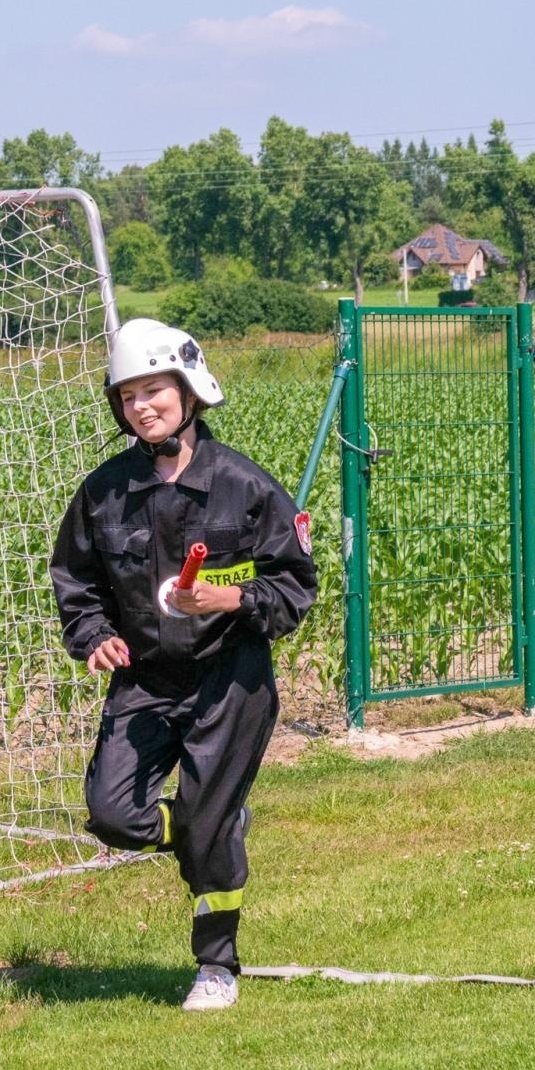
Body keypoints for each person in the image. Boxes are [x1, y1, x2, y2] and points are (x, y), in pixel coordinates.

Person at [50, 319, 317, 1011]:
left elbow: (294, 587)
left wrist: (225, 597)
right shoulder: (102, 492)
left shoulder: (245, 488)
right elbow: (75, 582)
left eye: (154, 390)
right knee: (111, 814)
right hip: (144, 681)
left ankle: (216, 966)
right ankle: (209, 823)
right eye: (128, 396)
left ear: (189, 390)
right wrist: (93, 636)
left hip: (230, 682)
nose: (143, 406)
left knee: (205, 820)